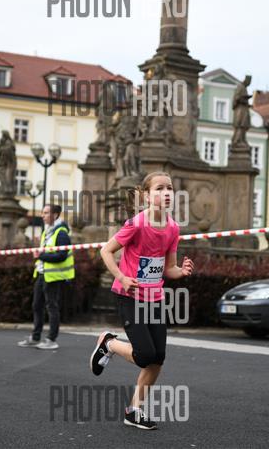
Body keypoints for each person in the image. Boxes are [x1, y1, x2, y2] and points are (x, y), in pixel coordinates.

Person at [93, 171, 194, 430]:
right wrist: (122, 277)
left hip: (155, 298)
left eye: (169, 188)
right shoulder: (136, 224)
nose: (166, 192)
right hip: (130, 296)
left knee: (158, 358)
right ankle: (109, 343)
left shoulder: (173, 228)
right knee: (144, 355)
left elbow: (168, 268)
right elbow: (106, 251)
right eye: (159, 188)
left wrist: (181, 272)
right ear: (147, 196)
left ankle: (134, 411)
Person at [17, 204, 74, 350]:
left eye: (46, 213)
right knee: (37, 305)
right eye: (43, 212)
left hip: (53, 276)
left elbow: (61, 256)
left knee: (51, 307)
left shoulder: (61, 233)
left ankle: (51, 340)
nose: (42, 215)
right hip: (42, 274)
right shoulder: (48, 231)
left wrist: (40, 255)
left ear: (55, 215)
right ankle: (35, 337)